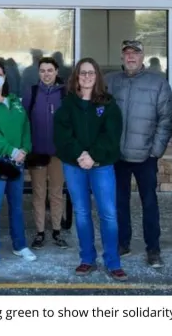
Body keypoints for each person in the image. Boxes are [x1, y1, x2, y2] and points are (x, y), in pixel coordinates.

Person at [53, 58, 126, 280]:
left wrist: (93, 155)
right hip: (74, 166)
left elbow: (112, 135)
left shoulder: (108, 104)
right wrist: (80, 155)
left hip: (101, 166)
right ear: (76, 77)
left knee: (108, 213)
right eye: (82, 73)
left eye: (91, 73)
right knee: (82, 213)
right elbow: (62, 134)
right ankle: (87, 259)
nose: (86, 77)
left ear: (97, 77)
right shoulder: (67, 104)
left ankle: (113, 261)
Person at [104, 40, 172, 267]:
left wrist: (155, 151)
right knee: (119, 202)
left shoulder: (158, 83)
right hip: (118, 157)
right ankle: (122, 243)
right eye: (127, 53)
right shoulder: (110, 81)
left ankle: (153, 249)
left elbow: (166, 119)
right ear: (122, 56)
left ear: (143, 56)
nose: (131, 57)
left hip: (145, 157)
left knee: (150, 203)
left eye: (135, 53)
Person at [0, 61, 37, 268]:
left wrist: (24, 150)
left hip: (17, 159)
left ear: (5, 77)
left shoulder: (14, 101)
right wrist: (10, 150)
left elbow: (25, 127)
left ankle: (19, 245)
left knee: (16, 204)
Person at [21, 56, 69, 250]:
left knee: (57, 193)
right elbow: (23, 121)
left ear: (56, 72)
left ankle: (57, 231)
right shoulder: (31, 92)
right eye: (42, 71)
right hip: (37, 153)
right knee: (39, 193)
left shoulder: (65, 93)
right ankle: (40, 232)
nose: (46, 74)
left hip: (59, 153)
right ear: (38, 73)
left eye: (50, 70)